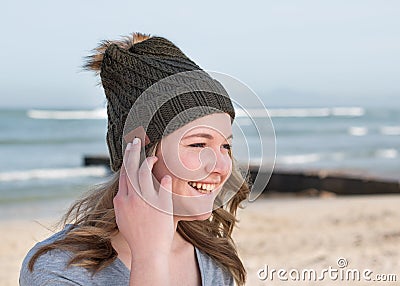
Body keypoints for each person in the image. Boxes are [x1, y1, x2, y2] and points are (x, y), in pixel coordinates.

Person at [20, 32, 250, 286]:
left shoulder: (213, 258)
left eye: (226, 146)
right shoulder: (59, 270)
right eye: (198, 144)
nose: (221, 166)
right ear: (137, 152)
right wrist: (150, 258)